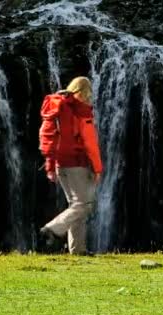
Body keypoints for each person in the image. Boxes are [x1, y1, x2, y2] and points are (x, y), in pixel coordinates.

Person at [38, 76, 103, 255]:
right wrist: (97, 168)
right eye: (88, 93)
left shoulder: (57, 107)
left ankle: (78, 249)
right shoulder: (81, 110)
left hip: (61, 165)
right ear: (84, 92)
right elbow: (90, 143)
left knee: (76, 206)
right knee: (85, 205)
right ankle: (52, 229)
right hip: (77, 164)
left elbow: (49, 138)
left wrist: (50, 165)